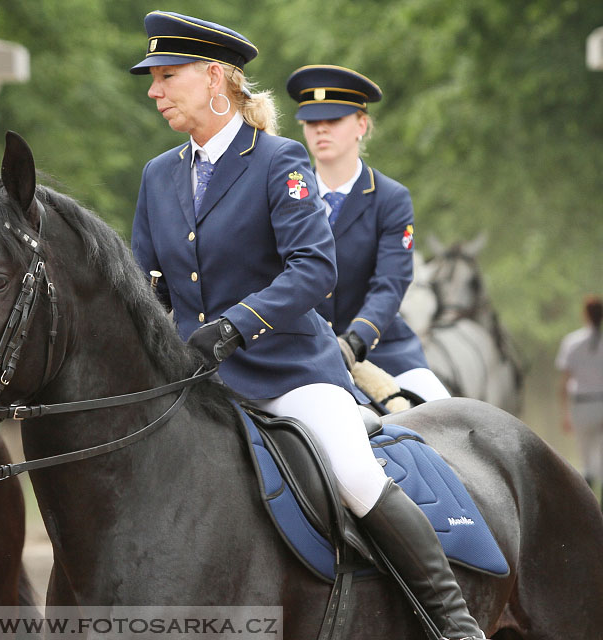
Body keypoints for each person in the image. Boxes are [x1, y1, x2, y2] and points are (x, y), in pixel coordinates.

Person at [129, 12, 484, 639]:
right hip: (197, 377)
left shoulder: (279, 161)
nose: (154, 91)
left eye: (166, 76)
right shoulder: (158, 174)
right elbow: (144, 282)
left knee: (353, 473)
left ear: (214, 76)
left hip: (288, 371)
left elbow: (314, 268)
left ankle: (455, 624)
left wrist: (237, 326)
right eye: (152, 79)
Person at [285, 64, 450, 403]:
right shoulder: (285, 194)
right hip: (300, 352)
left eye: (333, 120)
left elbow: (390, 283)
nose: (321, 130)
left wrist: (356, 340)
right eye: (312, 122)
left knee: (445, 417)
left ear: (361, 124)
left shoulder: (391, 198)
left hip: (380, 350)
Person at [556, 295, 603, 505]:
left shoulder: (573, 342)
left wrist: (565, 413)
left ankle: (589, 503)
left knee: (585, 456)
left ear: (584, 314)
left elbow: (565, 382)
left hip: (582, 405)